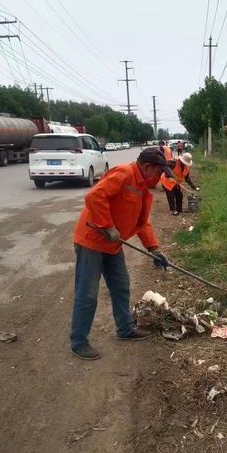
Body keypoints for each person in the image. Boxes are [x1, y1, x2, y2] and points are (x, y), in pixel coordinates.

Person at [70, 147, 173, 360]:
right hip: (92, 241)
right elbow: (94, 196)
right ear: (147, 167)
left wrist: (154, 249)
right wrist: (107, 225)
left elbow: (142, 224)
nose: (160, 178)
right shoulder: (124, 173)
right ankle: (79, 341)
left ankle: (125, 329)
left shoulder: (144, 189)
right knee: (87, 294)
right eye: (159, 172)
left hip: (112, 245)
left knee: (121, 286)